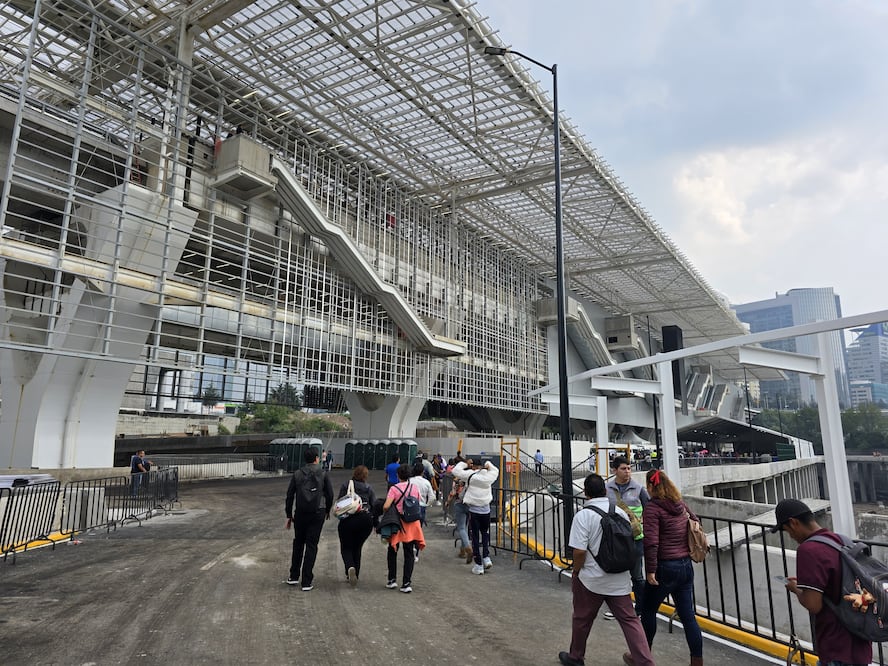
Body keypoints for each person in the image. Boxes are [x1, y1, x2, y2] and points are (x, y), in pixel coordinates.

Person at [558, 473, 655, 666]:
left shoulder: (583, 515)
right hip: (619, 578)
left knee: (582, 619)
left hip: (592, 579)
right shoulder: (620, 513)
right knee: (630, 621)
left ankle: (576, 657)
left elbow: (578, 552)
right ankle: (645, 661)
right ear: (605, 490)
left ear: (586, 493)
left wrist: (577, 572)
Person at [775, 498, 872, 666]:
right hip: (859, 641)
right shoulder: (841, 541)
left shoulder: (808, 550)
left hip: (835, 645)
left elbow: (814, 604)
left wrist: (795, 589)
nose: (790, 536)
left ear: (793, 522)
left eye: (787, 531)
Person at [640, 469, 702, 666]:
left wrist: (650, 570)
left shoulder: (652, 508)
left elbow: (651, 542)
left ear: (651, 486)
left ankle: (643, 656)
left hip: (665, 566)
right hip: (685, 565)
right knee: (688, 615)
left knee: (648, 610)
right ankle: (697, 661)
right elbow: (696, 522)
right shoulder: (679, 504)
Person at [604, 455, 649, 619]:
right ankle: (619, 609)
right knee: (616, 575)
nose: (627, 472)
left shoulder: (638, 488)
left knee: (637, 576)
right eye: (623, 468)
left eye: (629, 468)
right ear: (614, 470)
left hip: (635, 539)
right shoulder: (607, 488)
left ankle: (641, 609)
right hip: (614, 539)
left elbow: (649, 508)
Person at [285, 448, 334, 591]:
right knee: (312, 545)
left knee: (298, 543)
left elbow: (289, 495)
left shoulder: (298, 474)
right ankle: (306, 581)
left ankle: (293, 576)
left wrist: (289, 514)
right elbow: (330, 495)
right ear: (317, 459)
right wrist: (327, 510)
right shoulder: (323, 474)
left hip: (300, 512)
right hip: (317, 512)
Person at [451, 458, 498, 575]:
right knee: (485, 534)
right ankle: (486, 557)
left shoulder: (470, 475)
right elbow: (495, 469)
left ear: (473, 466)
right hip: (486, 510)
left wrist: (464, 463)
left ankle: (478, 565)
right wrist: (488, 464)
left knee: (475, 537)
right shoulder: (489, 476)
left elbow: (455, 471)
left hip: (474, 510)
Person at [382, 464, 425, 592]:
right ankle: (406, 583)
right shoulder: (414, 488)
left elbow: (386, 506)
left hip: (397, 522)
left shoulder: (394, 489)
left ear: (398, 475)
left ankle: (392, 580)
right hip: (411, 523)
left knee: (392, 550)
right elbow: (416, 502)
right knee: (409, 553)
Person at [336, 465, 378, 587]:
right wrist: (376, 524)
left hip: (348, 520)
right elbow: (374, 506)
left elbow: (340, 501)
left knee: (346, 547)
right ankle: (356, 574)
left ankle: (350, 567)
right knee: (357, 546)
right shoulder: (368, 488)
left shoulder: (346, 485)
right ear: (365, 476)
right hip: (365, 521)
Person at [444, 456, 473, 563]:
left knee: (461, 528)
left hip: (459, 504)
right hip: (470, 504)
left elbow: (453, 492)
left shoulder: (457, 479)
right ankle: (462, 550)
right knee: (465, 528)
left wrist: (447, 501)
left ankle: (468, 548)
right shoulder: (472, 477)